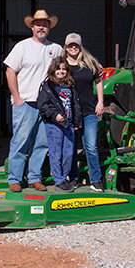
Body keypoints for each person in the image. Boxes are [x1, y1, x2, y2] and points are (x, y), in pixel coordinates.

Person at [4, 9, 63, 193]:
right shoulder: (22, 47)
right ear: (32, 27)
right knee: (20, 141)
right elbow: (10, 71)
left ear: (49, 28)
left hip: (47, 105)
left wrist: (94, 65)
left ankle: (34, 178)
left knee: (42, 143)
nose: (41, 27)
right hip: (26, 102)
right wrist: (17, 97)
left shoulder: (56, 49)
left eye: (45, 24)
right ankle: (14, 179)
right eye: (38, 24)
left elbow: (69, 66)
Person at [64, 33, 105, 192]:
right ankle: (72, 178)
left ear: (80, 46)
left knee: (91, 146)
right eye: (70, 45)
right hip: (71, 113)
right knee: (71, 147)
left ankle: (95, 180)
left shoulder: (90, 64)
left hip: (88, 111)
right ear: (66, 47)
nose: (73, 47)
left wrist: (100, 102)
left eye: (76, 45)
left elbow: (99, 82)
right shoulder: (62, 65)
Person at [36, 56, 83, 192]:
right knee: (56, 153)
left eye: (63, 69)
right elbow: (42, 105)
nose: (61, 72)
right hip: (54, 125)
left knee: (68, 153)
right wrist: (55, 115)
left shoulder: (69, 86)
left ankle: (66, 176)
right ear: (53, 70)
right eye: (58, 69)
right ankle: (59, 181)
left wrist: (76, 122)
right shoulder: (48, 86)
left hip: (69, 125)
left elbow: (75, 105)